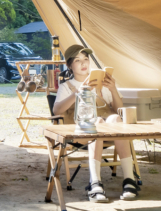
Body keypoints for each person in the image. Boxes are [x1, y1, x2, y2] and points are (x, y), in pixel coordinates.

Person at [52, 45, 138, 202]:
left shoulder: (100, 83)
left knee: (115, 119)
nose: (83, 63)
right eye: (78, 60)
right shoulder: (67, 86)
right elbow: (56, 110)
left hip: (110, 131)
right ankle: (95, 182)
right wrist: (78, 93)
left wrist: (112, 90)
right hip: (81, 133)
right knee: (96, 121)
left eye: (86, 59)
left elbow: (120, 111)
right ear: (70, 65)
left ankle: (129, 179)